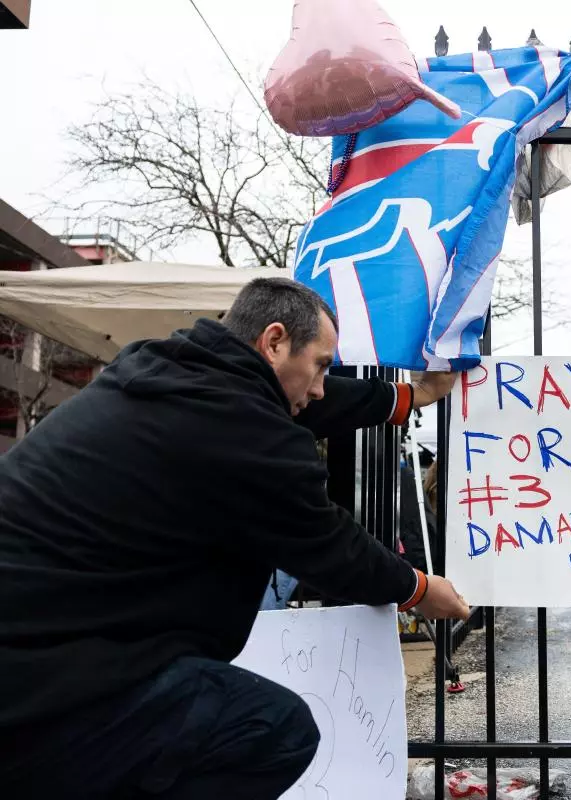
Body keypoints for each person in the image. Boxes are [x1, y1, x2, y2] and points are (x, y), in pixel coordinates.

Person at [0, 277, 469, 799]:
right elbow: (330, 547)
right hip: (42, 685)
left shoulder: (170, 372)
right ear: (273, 341)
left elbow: (306, 402)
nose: (319, 386)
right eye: (319, 364)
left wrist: (408, 398)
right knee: (274, 729)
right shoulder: (241, 428)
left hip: (43, 648)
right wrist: (420, 588)